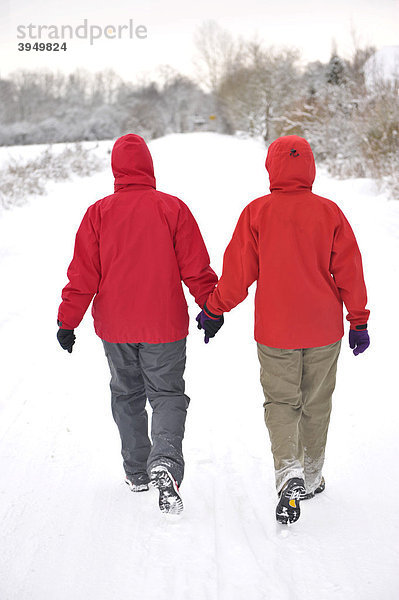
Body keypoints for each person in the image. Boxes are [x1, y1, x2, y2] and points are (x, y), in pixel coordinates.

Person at [196, 135, 370, 525]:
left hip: (275, 332)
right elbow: (350, 271)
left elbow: (239, 274)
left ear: (271, 167)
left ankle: (287, 471)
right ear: (310, 167)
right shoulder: (330, 213)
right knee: (316, 403)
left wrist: (213, 308)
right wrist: (358, 320)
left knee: (281, 403)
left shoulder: (258, 213)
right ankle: (309, 478)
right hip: (324, 329)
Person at [57, 134, 218, 515]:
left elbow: (83, 275)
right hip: (164, 324)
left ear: (116, 168)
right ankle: (164, 460)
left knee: (127, 395)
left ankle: (137, 471)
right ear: (148, 166)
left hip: (115, 326)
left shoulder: (99, 213)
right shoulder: (172, 208)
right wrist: (211, 307)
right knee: (166, 394)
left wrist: (68, 320)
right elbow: (196, 267)